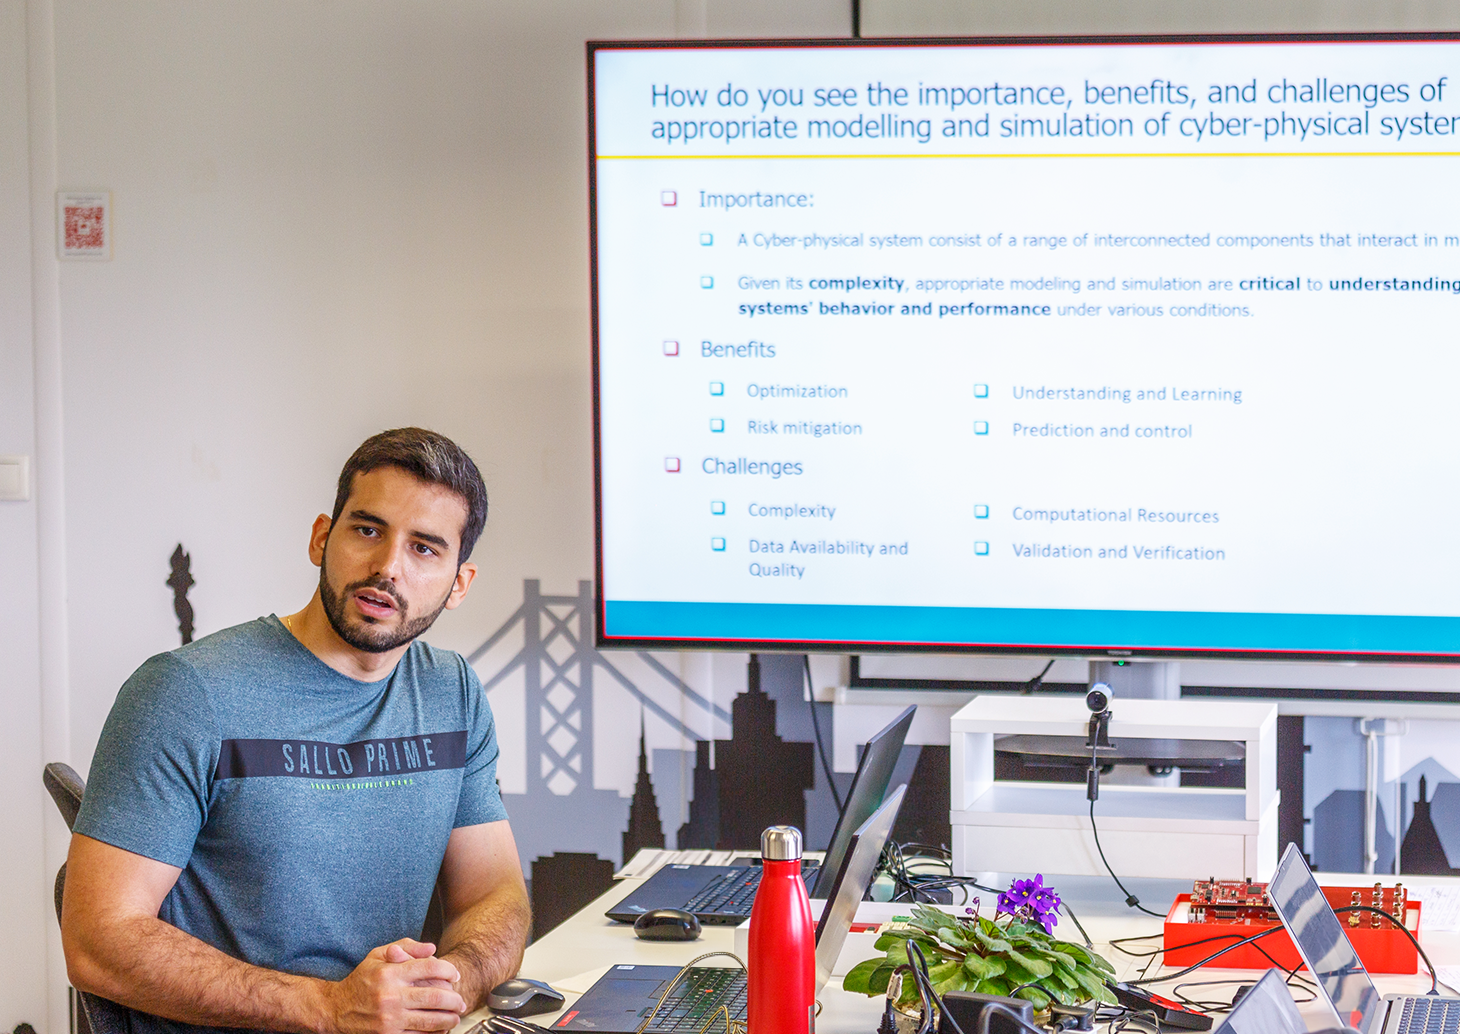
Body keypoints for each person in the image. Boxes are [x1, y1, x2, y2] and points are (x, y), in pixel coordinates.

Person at [62, 428, 531, 1034]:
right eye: (367, 529)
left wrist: (450, 984)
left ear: (458, 583)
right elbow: (97, 941)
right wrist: (329, 1008)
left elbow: (496, 895)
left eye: (424, 549)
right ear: (321, 538)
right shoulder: (187, 692)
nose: (388, 567)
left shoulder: (452, 694)